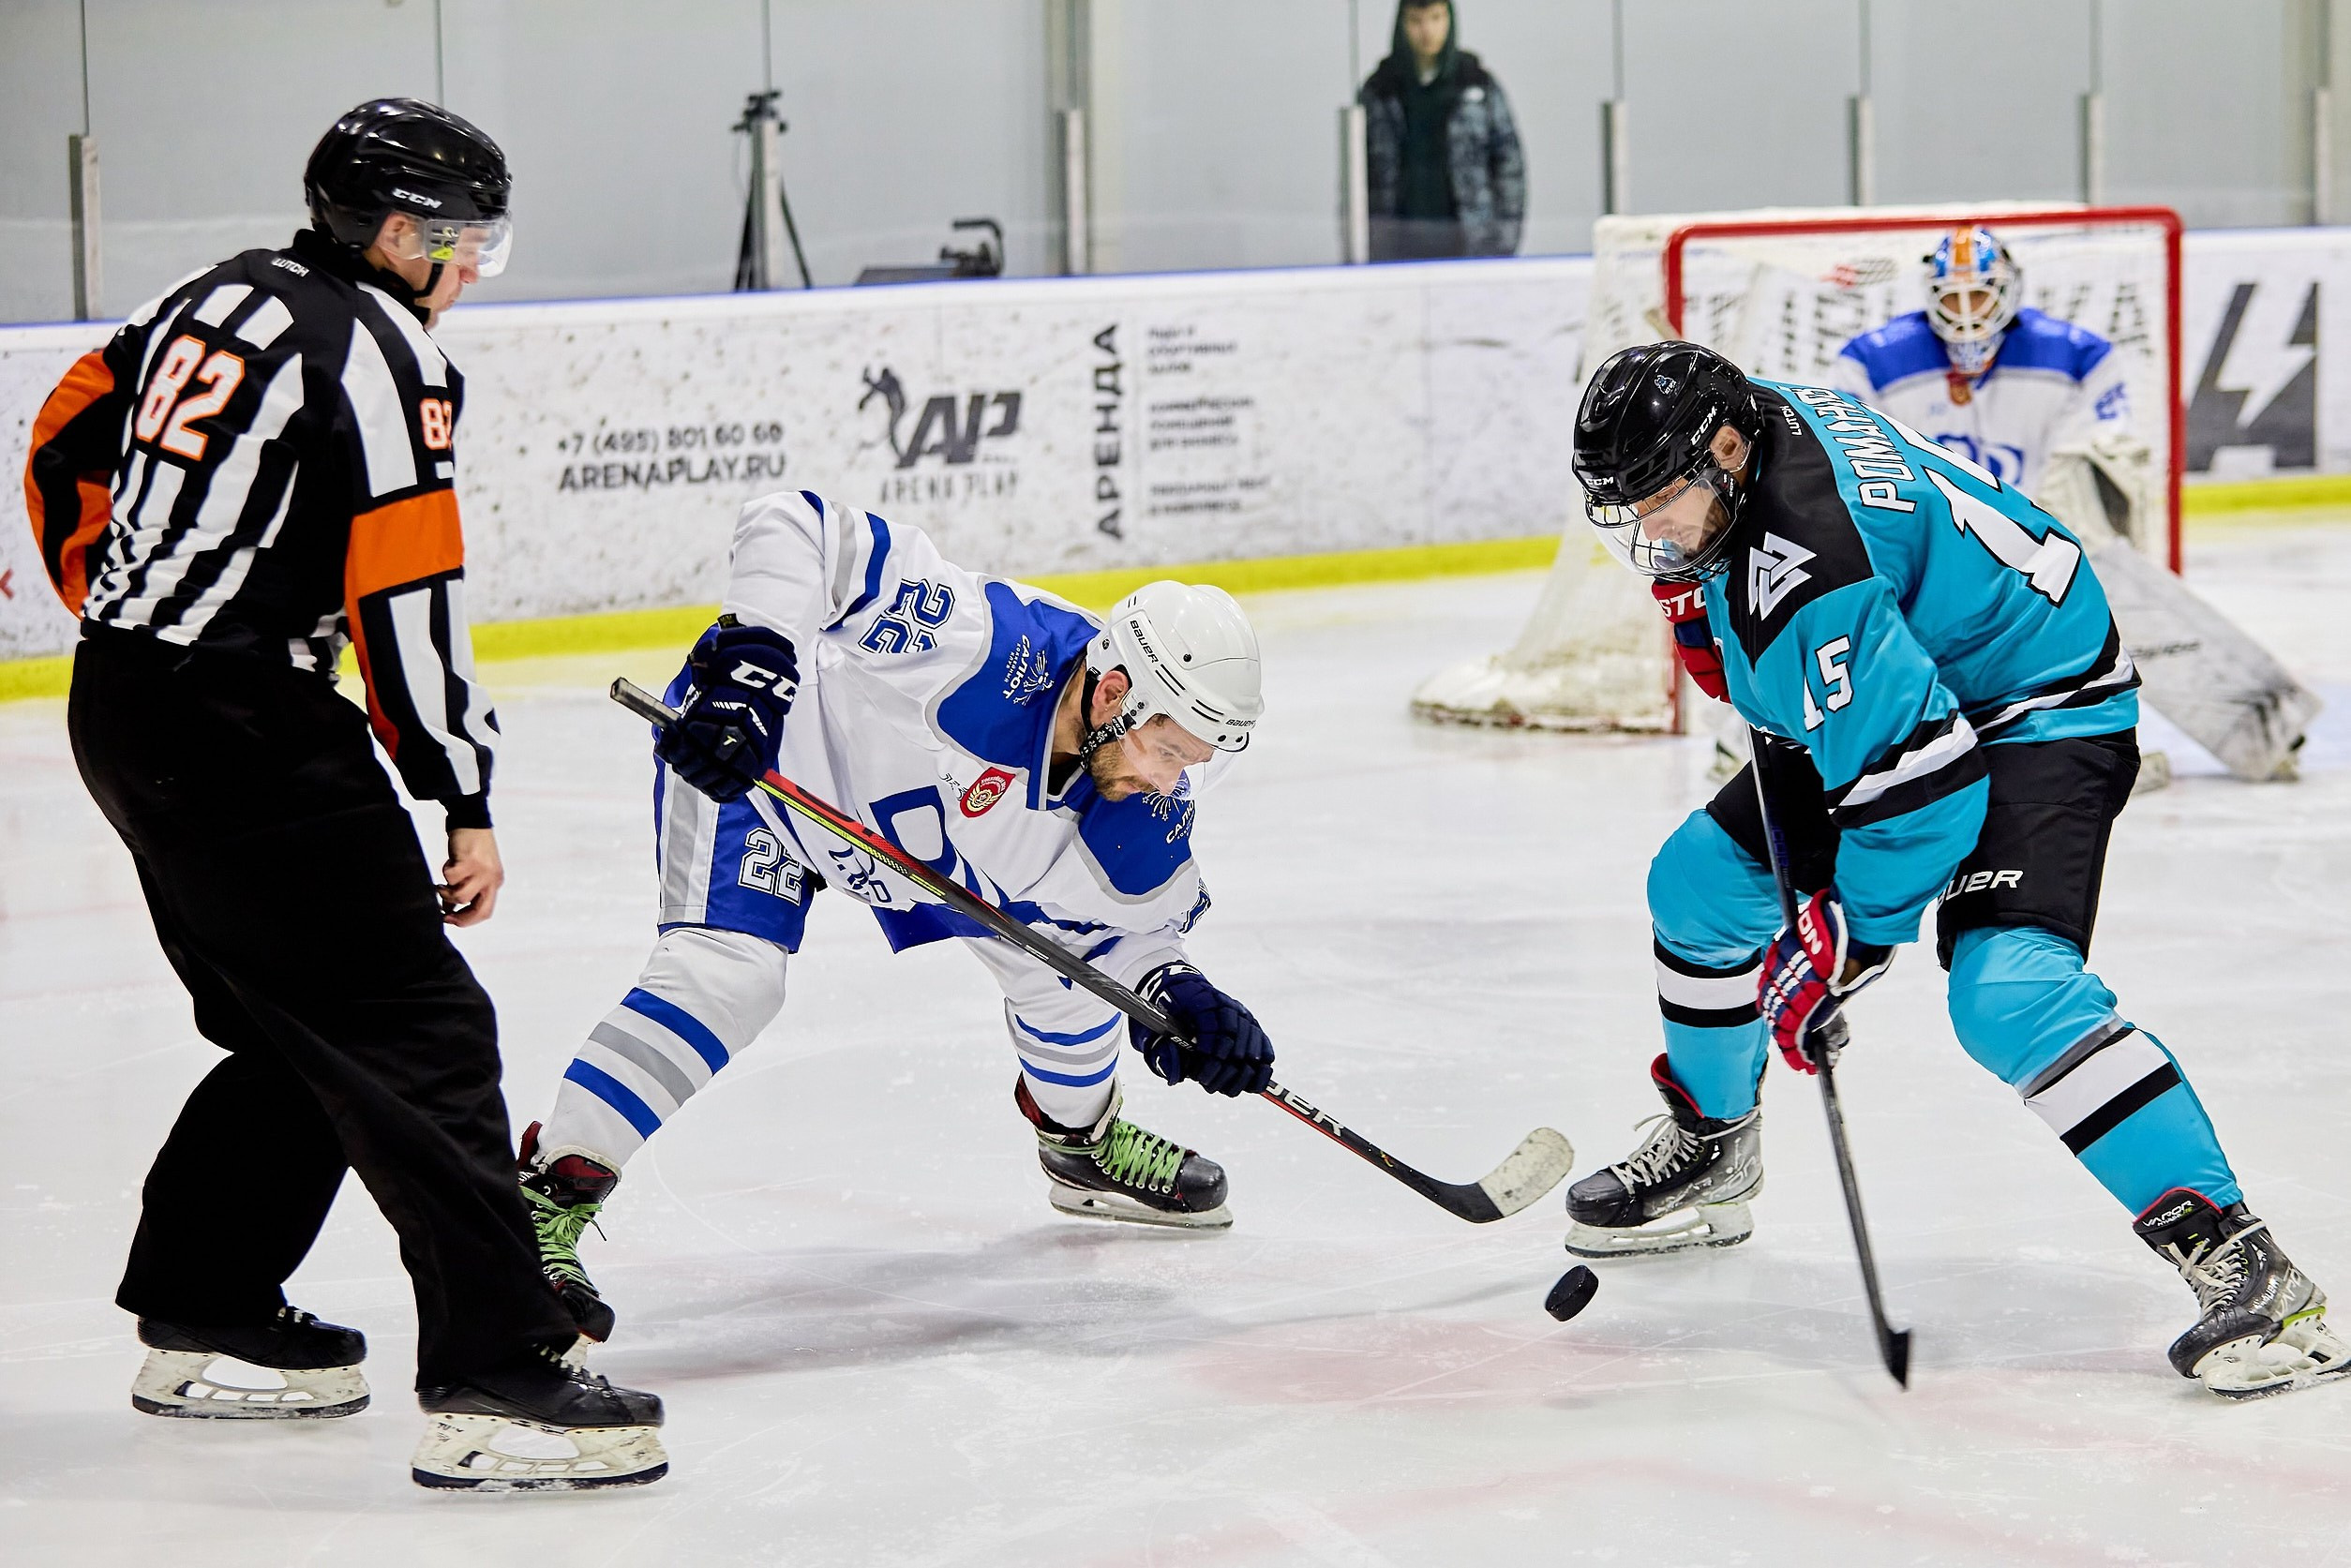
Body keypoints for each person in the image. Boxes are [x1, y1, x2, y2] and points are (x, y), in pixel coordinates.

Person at [22, 98, 666, 1488]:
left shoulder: (214, 294)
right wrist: (460, 787)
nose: (470, 270)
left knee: (289, 1023)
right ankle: (499, 1373)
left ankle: (208, 1308)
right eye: (459, 242)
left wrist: (128, 607)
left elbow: (64, 434)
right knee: (420, 1029)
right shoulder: (388, 355)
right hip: (246, 728)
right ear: (391, 233)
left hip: (122, 700)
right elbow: (408, 591)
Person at [1558, 338, 2346, 1400]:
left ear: (1730, 450)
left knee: (2007, 990)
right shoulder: (1754, 423)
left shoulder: (1812, 572)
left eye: (1663, 501)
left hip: (2040, 703)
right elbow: (1842, 673)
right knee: (1697, 887)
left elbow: (1921, 793)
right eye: (1635, 507)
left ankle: (2251, 1266)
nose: (1653, 531)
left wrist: (1846, 943)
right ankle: (1714, 1144)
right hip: (1925, 670)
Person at [515, 487, 1277, 1344]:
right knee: (730, 977)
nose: (1171, 780)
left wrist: (1179, 996)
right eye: (1167, 751)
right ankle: (544, 1199)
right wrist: (748, 679)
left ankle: (1079, 1142)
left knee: (1068, 977)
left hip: (937, 853)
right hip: (766, 775)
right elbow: (796, 524)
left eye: (1189, 761)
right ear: (1114, 695)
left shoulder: (1147, 788)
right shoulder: (980, 642)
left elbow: (1115, 935)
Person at [1827, 226, 2152, 547]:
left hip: (2042, 539)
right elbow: (1854, 470)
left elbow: (2105, 455)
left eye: (1979, 295)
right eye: (1953, 297)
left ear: (2007, 291)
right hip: (1931, 545)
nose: (1967, 314)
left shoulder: (2079, 357)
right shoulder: (1869, 362)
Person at [1358, 0, 1525, 261]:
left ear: (1449, 20)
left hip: (1469, 240)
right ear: (1402, 25)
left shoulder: (1476, 84)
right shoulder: (1380, 90)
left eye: (1436, 18)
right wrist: (1365, 243)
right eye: (1416, 21)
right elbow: (1359, 173)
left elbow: (1509, 164)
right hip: (1398, 243)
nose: (1427, 31)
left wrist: (1503, 242)